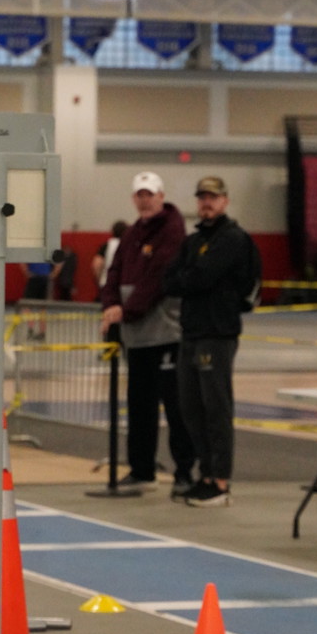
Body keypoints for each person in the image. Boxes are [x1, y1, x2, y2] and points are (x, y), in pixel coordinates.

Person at [166, 176, 261, 507]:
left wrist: (192, 278)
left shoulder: (233, 238)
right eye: (202, 197)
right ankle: (205, 475)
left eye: (213, 197)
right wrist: (192, 278)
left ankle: (220, 480)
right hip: (191, 332)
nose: (206, 202)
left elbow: (201, 277)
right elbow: (171, 280)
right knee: (191, 408)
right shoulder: (193, 241)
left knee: (216, 408)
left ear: (225, 201)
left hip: (217, 334)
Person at [100, 172, 195, 496]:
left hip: (167, 335)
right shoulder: (131, 233)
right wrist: (110, 305)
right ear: (133, 199)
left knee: (177, 408)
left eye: (149, 194)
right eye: (139, 195)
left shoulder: (172, 231)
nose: (144, 200)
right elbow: (113, 273)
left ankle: (185, 473)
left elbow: (158, 278)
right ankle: (142, 471)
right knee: (139, 406)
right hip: (137, 336)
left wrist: (125, 311)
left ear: (161, 196)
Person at [91, 220, 128, 294]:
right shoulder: (130, 245)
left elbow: (97, 265)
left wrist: (99, 280)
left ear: (112, 231)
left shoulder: (107, 245)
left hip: (107, 282)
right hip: (125, 284)